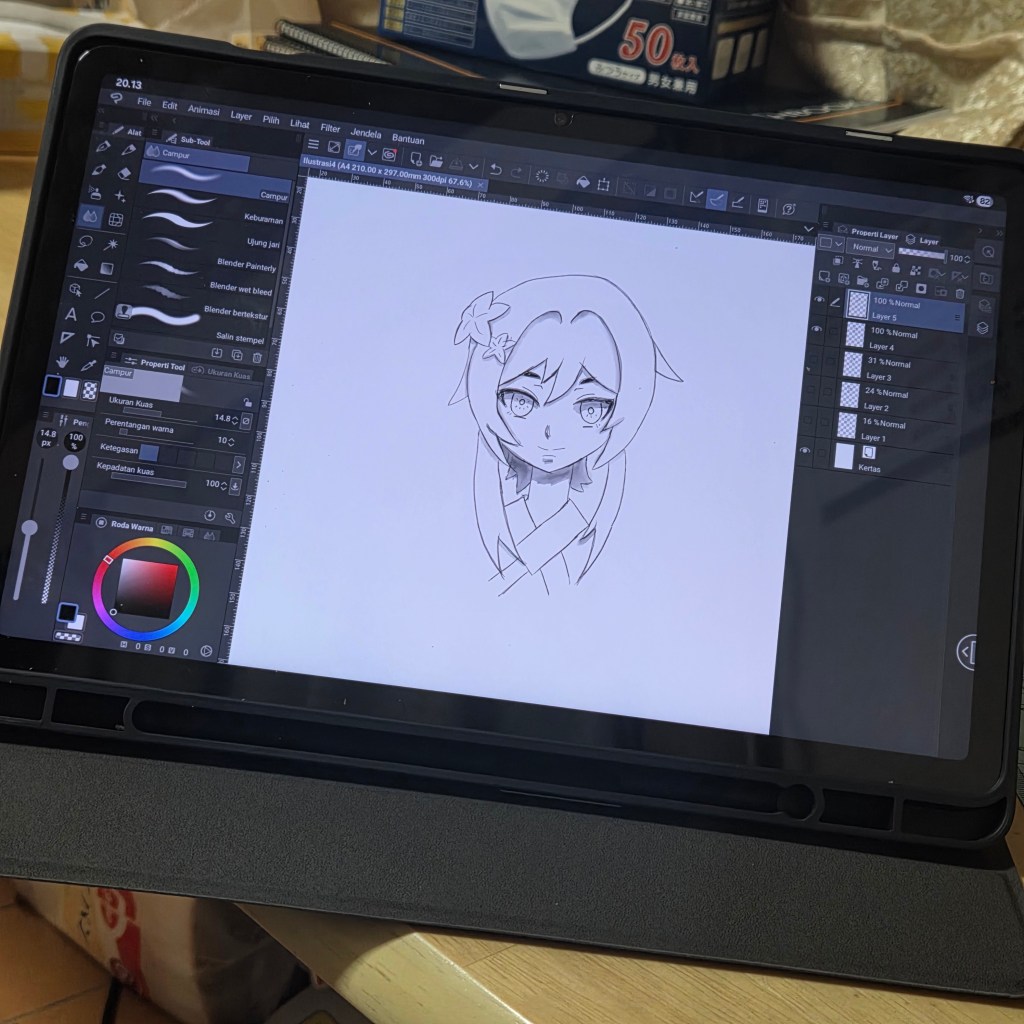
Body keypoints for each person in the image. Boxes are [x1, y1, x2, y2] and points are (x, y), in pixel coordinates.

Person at [450, 275, 680, 594]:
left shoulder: (614, 492)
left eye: (590, 407)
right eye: (521, 401)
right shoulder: (488, 483)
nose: (550, 432)